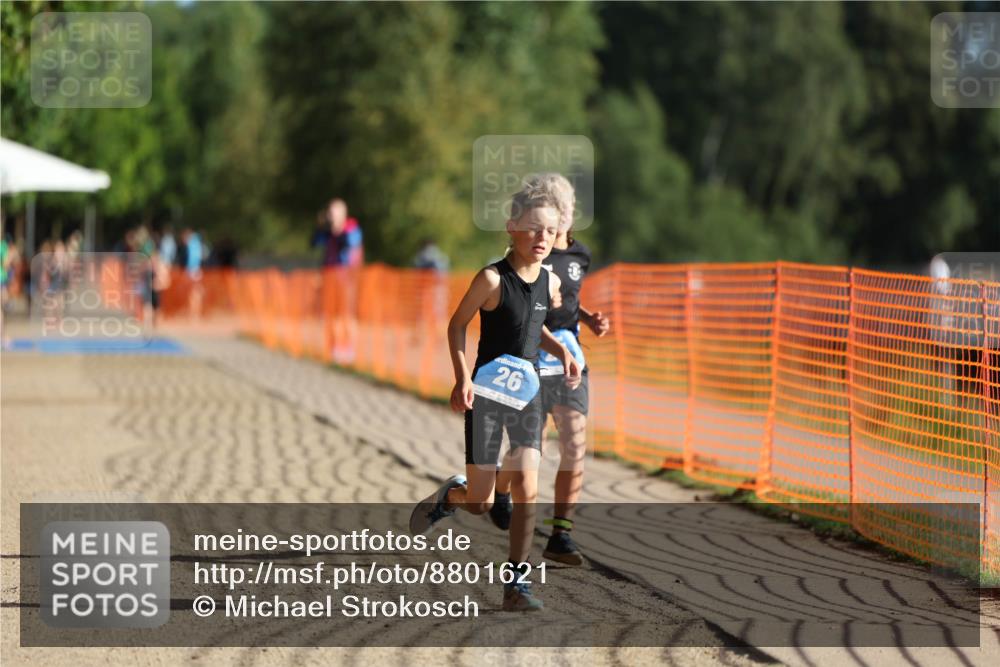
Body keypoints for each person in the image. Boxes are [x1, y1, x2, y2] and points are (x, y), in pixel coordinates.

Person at [409, 176, 582, 612]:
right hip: (486, 395)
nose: (542, 238)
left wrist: (560, 349)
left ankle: (516, 583)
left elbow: (533, 324)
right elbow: (457, 324)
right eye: (533, 228)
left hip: (528, 395)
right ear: (511, 226)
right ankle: (453, 495)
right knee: (482, 502)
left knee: (527, 481)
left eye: (550, 229)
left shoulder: (548, 281)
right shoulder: (491, 279)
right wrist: (462, 378)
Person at [491, 173, 609, 566]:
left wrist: (589, 319)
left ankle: (561, 534)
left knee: (576, 444)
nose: (567, 218)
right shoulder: (532, 253)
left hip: (572, 361)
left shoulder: (580, 255)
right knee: (530, 451)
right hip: (532, 362)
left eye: (571, 209)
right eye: (561, 209)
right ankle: (501, 489)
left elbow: (568, 301)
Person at [312, 198, 363, 268]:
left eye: (332, 215)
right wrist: (320, 227)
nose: (330, 218)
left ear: (342, 214)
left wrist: (337, 233)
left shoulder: (352, 230)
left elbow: (351, 245)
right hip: (329, 273)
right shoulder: (327, 233)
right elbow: (315, 244)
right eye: (329, 214)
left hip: (348, 273)